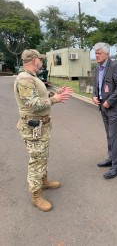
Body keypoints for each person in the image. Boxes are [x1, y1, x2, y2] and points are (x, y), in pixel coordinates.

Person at [14, 49, 73, 212]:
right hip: (33, 126)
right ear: (34, 61)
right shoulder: (25, 78)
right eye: (40, 59)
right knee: (36, 160)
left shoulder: (32, 77)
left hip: (41, 126)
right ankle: (36, 195)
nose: (42, 62)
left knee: (42, 155)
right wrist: (55, 99)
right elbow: (31, 103)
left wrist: (56, 93)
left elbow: (40, 96)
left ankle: (43, 181)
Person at [92, 42, 117, 179]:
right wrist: (94, 96)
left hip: (113, 108)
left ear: (107, 54)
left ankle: (116, 167)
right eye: (95, 53)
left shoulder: (114, 66)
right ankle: (111, 158)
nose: (96, 55)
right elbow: (96, 85)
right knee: (109, 135)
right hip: (102, 107)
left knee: (114, 136)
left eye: (99, 53)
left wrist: (109, 101)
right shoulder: (98, 68)